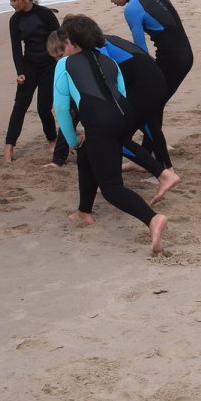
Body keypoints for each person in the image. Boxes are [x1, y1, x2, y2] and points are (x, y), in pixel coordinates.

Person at [52, 15, 169, 253]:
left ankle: (152, 219)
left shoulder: (64, 64)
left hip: (101, 123)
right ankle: (84, 211)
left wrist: (72, 141)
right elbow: (121, 92)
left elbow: (61, 109)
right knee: (87, 154)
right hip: (126, 117)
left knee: (111, 188)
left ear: (71, 42)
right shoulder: (108, 60)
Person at [93, 30, 180, 204]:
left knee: (117, 136)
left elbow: (106, 76)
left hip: (145, 85)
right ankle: (167, 169)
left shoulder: (98, 48)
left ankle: (116, 180)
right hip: (156, 79)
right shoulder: (108, 39)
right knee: (150, 125)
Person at [99, 0, 194, 99]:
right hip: (185, 54)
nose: (111, 1)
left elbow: (141, 51)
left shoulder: (132, 8)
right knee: (156, 99)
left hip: (173, 59)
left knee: (152, 100)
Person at [4, 0, 60, 163]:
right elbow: (16, 48)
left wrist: (59, 65)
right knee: (20, 105)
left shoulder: (45, 15)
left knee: (44, 108)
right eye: (10, 0)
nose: (11, 4)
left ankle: (52, 139)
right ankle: (9, 146)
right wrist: (19, 72)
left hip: (48, 65)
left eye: (14, 0)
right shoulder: (15, 20)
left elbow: (58, 41)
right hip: (29, 65)